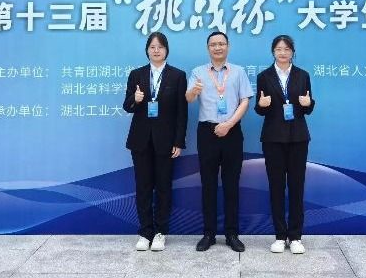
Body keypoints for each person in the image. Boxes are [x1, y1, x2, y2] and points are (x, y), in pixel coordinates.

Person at [186, 31, 253, 252]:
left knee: (232, 184)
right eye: (213, 44)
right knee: (208, 184)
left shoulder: (239, 72)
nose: (217, 47)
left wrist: (229, 124)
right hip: (207, 132)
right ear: (208, 49)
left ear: (228, 47)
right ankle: (209, 234)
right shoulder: (198, 72)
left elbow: (245, 101)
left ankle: (232, 234)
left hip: (232, 131)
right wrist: (193, 92)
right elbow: (188, 98)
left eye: (221, 44)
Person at [123, 32, 188, 251]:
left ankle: (160, 232)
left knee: (163, 187)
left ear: (166, 50)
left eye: (160, 47)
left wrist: (179, 141)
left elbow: (182, 112)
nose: (156, 50)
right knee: (143, 187)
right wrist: (135, 99)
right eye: (152, 47)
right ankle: (145, 232)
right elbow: (127, 106)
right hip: (140, 140)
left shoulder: (177, 76)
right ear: (147, 50)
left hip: (166, 141)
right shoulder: (137, 74)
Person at [254, 35, 315, 254]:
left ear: (292, 52)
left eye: (287, 49)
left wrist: (309, 103)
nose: (282, 53)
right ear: (273, 52)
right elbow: (259, 110)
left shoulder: (303, 75)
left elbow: (308, 107)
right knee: (276, 187)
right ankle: (280, 236)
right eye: (279, 49)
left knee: (297, 187)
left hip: (298, 138)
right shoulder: (264, 76)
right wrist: (261, 105)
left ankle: (296, 236)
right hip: (273, 138)